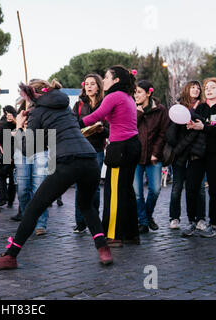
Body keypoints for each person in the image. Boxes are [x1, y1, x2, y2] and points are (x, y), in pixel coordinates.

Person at [0, 79, 113, 270]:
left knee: (34, 208)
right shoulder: (64, 106)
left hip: (68, 161)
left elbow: (28, 149)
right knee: (86, 206)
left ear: (32, 96)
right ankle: (103, 250)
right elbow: (52, 138)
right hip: (90, 159)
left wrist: (20, 127)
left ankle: (10, 256)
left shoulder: (38, 112)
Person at [80, 65, 141, 247]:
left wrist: (74, 122)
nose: (103, 80)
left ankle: (113, 234)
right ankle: (131, 233)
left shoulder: (113, 96)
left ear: (116, 81)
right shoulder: (127, 97)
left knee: (114, 192)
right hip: (132, 145)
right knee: (126, 191)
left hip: (120, 148)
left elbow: (96, 115)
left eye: (106, 77)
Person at [183, 77, 216, 237]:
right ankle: (191, 221)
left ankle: (213, 224)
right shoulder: (200, 107)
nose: (208, 90)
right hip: (198, 153)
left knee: (214, 189)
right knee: (191, 187)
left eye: (212, 87)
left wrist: (205, 128)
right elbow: (195, 126)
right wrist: (192, 126)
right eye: (206, 87)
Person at [167, 81, 207, 230]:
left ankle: (200, 218)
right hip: (180, 153)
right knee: (177, 186)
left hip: (197, 153)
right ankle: (174, 217)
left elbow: (204, 128)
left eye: (198, 88)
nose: (196, 90)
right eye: (193, 87)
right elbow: (170, 133)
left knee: (200, 188)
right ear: (186, 89)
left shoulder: (203, 107)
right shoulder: (178, 108)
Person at [73, 74, 108, 233]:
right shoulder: (78, 105)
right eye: (86, 83)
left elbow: (110, 130)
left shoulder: (106, 104)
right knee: (80, 186)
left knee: (94, 186)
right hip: (80, 148)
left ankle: (94, 220)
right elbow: (72, 125)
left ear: (98, 86)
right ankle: (80, 223)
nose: (89, 86)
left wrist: (102, 130)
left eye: (92, 84)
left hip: (97, 150)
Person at [133, 80, 169, 233]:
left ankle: (147, 216)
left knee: (155, 189)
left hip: (154, 157)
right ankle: (142, 221)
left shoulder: (160, 110)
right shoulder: (132, 109)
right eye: (134, 92)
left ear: (149, 93)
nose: (136, 95)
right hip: (135, 156)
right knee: (137, 192)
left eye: (139, 92)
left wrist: (156, 152)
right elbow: (129, 127)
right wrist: (139, 112)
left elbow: (163, 134)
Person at [11, 98, 50, 235]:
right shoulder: (21, 109)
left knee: (39, 188)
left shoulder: (43, 107)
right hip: (21, 148)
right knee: (22, 189)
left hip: (40, 146)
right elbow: (17, 132)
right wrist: (19, 126)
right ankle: (28, 219)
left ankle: (40, 223)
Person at [0, 105, 17, 209]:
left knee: (11, 178)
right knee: (2, 175)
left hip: (14, 152)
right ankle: (4, 199)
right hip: (5, 152)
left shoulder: (17, 121)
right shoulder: (2, 123)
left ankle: (8, 200)